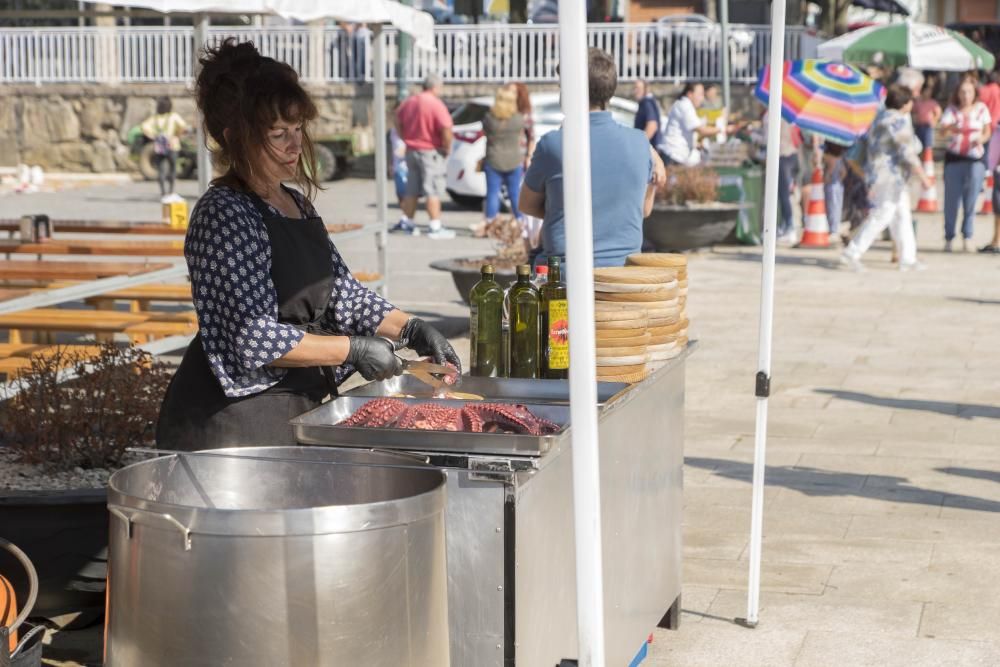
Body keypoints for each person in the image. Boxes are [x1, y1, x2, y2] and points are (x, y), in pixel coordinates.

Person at [155, 40, 460, 451]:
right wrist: (351, 349)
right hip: (233, 423)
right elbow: (253, 337)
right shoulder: (224, 212)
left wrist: (409, 327)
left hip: (296, 407)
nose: (294, 146)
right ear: (234, 138)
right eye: (277, 134)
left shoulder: (294, 202)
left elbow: (342, 294)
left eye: (298, 130)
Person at [518, 48, 666, 268]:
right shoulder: (640, 143)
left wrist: (567, 213)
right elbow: (643, 210)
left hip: (565, 276)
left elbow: (527, 205)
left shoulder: (553, 144)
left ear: (569, 91)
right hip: (623, 273)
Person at [841, 85, 931, 272]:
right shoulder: (897, 121)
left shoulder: (879, 117)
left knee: (901, 215)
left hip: (881, 175)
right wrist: (923, 175)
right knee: (883, 214)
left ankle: (908, 258)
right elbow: (907, 151)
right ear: (905, 103)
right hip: (889, 177)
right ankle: (852, 252)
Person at [394, 73, 455, 239]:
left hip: (412, 149)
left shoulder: (410, 102)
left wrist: (405, 137)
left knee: (411, 189)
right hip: (430, 150)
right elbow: (446, 128)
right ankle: (435, 226)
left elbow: (397, 119)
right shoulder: (436, 104)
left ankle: (408, 222)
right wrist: (447, 147)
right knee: (432, 189)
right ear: (436, 87)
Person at [939, 74, 992, 252]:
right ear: (957, 93)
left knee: (971, 201)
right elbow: (942, 132)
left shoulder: (981, 109)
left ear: (974, 93)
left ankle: (967, 235)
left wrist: (981, 139)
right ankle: (949, 236)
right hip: (955, 159)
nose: (965, 96)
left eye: (968, 92)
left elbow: (987, 131)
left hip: (975, 160)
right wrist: (954, 128)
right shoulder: (952, 111)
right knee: (951, 201)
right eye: (962, 92)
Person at [482, 86, 526, 226]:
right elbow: (520, 135)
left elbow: (486, 134)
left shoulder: (489, 118)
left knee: (492, 193)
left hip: (494, 158)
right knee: (514, 193)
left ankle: (490, 221)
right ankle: (520, 221)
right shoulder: (518, 119)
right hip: (513, 160)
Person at [661, 82, 727, 166]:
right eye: (700, 94)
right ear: (690, 94)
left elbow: (685, 132)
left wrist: (697, 144)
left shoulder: (685, 105)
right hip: (672, 156)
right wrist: (722, 128)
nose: (702, 98)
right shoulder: (685, 105)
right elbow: (702, 130)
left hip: (675, 156)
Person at [141, 96, 189, 202]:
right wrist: (177, 135)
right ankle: (171, 192)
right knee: (172, 169)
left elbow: (144, 127)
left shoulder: (155, 118)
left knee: (161, 170)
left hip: (160, 146)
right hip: (173, 145)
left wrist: (153, 136)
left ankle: (163, 193)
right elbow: (183, 127)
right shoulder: (173, 116)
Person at [633, 79, 666, 163]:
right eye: (635, 88)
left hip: (650, 152)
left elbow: (652, 125)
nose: (635, 91)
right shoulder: (648, 102)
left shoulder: (646, 103)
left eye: (638, 88)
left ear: (646, 89)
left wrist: (638, 145)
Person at [912, 81, 942, 153]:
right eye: (926, 91)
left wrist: (934, 121)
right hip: (919, 125)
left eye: (929, 92)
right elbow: (913, 111)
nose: (928, 93)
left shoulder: (933, 102)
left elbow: (938, 113)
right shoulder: (918, 102)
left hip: (928, 126)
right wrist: (915, 119)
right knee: (918, 144)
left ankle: (927, 161)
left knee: (927, 145)